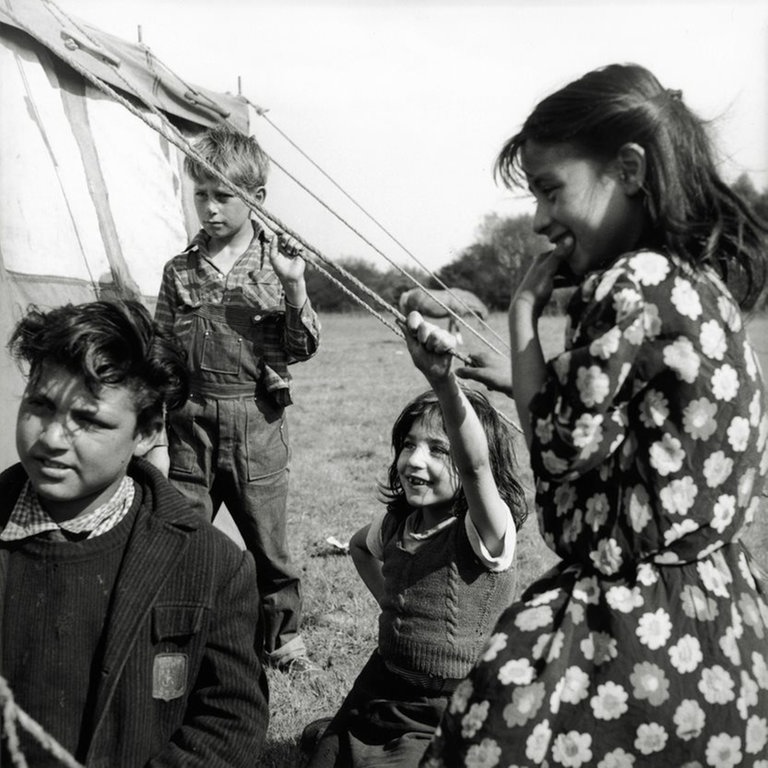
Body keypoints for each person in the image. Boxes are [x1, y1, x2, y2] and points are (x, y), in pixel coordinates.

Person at [421, 63, 768, 767]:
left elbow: (555, 441)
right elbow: (611, 417)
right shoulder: (698, 278)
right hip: (719, 613)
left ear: (631, 170)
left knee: (489, 741)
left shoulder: (630, 283)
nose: (541, 218)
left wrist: (522, 312)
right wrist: (517, 375)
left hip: (638, 624)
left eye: (552, 190)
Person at [0, 300, 269, 767]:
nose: (52, 438)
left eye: (89, 420)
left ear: (146, 433)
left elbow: (229, 720)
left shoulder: (211, 565)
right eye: (40, 405)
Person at [303, 310, 527, 768]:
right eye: (409, 444)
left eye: (437, 449)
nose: (414, 461)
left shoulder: (485, 529)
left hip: (448, 706)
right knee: (326, 756)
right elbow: (360, 547)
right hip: (382, 686)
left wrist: (446, 385)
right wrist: (393, 601)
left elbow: (476, 467)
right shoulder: (398, 523)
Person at [151, 125, 321, 674]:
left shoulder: (279, 265)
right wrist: (157, 426)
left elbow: (301, 349)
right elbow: (160, 353)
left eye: (222, 195)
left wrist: (294, 289)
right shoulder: (179, 270)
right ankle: (180, 636)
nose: (209, 207)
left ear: (255, 199)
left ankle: (283, 641)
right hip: (190, 425)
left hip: (256, 421)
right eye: (200, 194)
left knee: (268, 547)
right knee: (180, 536)